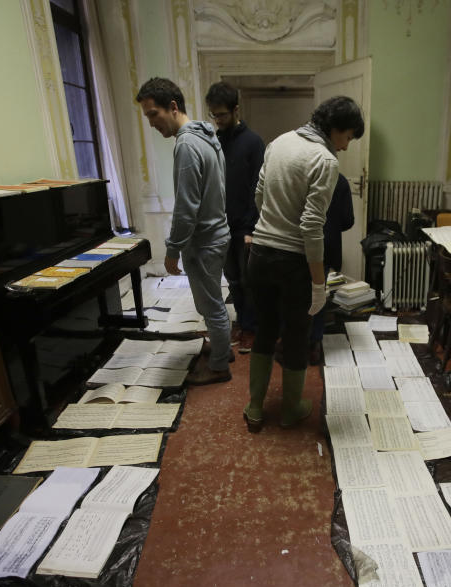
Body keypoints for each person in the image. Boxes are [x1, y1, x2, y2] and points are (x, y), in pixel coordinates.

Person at [245, 96, 365, 431]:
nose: (346, 146)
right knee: (297, 335)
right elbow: (312, 228)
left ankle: (254, 407)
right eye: (349, 138)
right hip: (293, 262)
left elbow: (259, 194)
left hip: (259, 253)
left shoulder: (279, 142)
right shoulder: (324, 160)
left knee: (265, 328)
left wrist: (274, 219)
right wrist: (318, 284)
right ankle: (291, 409)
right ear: (337, 128)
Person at [136, 77, 232, 385]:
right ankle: (222, 348)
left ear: (173, 107)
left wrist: (172, 249)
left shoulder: (188, 145)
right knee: (211, 300)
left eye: (153, 114)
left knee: (211, 304)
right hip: (217, 233)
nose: (151, 123)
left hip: (204, 241)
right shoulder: (207, 136)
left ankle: (219, 365)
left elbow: (187, 206)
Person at [204, 81, 265, 354]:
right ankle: (242, 321)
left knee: (251, 281)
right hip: (221, 225)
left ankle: (252, 328)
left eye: (222, 115)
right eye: (214, 115)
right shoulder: (214, 142)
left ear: (236, 110)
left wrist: (252, 227)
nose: (218, 120)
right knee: (233, 279)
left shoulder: (253, 143)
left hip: (246, 226)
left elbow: (258, 188)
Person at [308, 173, 354, 364]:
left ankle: (295, 341)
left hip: (301, 245)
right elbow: (348, 220)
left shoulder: (304, 176)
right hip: (328, 245)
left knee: (298, 296)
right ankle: (315, 344)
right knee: (319, 295)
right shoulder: (340, 180)